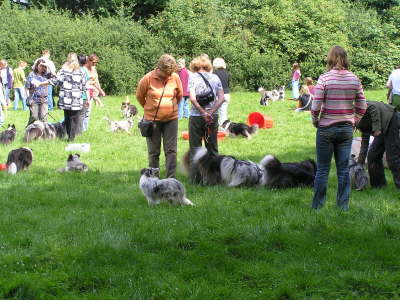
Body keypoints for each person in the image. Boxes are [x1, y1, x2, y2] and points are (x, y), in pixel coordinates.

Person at [311, 45, 367, 211]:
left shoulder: (324, 78)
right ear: (345, 58)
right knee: (343, 170)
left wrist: (315, 120)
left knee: (322, 170)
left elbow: (315, 104)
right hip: (346, 129)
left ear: (330, 58)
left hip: (326, 128)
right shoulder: (354, 79)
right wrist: (355, 120)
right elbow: (362, 105)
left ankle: (317, 207)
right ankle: (343, 207)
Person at [136, 54, 183, 178]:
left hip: (171, 120)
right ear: (159, 68)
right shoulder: (147, 78)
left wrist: (170, 108)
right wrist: (150, 109)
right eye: (166, 73)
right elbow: (140, 97)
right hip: (152, 121)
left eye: (170, 73)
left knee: (171, 151)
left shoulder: (175, 77)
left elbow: (179, 95)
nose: (168, 76)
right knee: (154, 152)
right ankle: (154, 179)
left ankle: (171, 179)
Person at [188, 55, 225, 183]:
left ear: (194, 66)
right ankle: (214, 178)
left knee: (195, 148)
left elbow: (192, 98)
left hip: (197, 117)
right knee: (212, 148)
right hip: (212, 117)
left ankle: (196, 179)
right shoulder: (215, 77)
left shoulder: (192, 77)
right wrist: (211, 112)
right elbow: (221, 98)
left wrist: (203, 113)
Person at [357, 101, 400, 189]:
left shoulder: (357, 106)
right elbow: (365, 140)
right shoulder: (356, 122)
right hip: (381, 128)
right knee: (372, 155)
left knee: (392, 157)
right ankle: (378, 185)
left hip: (391, 119)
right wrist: (359, 163)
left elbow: (373, 107)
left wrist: (376, 129)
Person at [52, 53, 87, 141]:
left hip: (65, 99)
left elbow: (57, 82)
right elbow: (83, 86)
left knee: (67, 118)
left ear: (68, 60)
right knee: (74, 119)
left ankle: (69, 137)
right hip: (76, 99)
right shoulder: (81, 71)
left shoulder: (64, 70)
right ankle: (71, 138)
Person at [25, 59, 51, 124]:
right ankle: (30, 131)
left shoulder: (47, 75)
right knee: (34, 117)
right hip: (34, 99)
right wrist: (28, 97)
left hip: (44, 99)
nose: (42, 67)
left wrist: (48, 66)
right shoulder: (31, 74)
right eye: (40, 65)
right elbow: (27, 87)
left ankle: (43, 133)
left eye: (43, 66)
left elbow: (55, 78)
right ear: (37, 66)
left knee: (43, 117)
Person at [212, 57, 230, 125]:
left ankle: (215, 127)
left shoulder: (214, 73)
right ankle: (224, 127)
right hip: (226, 94)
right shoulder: (227, 73)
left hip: (218, 95)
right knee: (223, 113)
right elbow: (228, 84)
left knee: (214, 112)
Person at [78, 54, 90, 133]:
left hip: (75, 97)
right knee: (82, 115)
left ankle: (77, 130)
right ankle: (80, 131)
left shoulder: (74, 70)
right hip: (83, 96)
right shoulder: (85, 70)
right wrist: (88, 98)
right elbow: (86, 85)